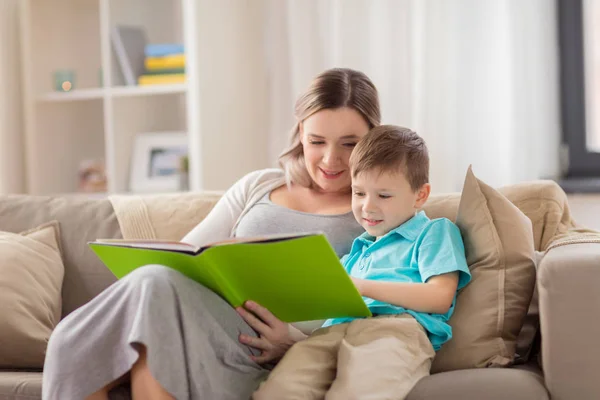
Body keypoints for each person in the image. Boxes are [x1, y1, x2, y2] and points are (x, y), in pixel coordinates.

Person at [42, 67, 381, 400]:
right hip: (199, 322)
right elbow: (184, 254)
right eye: (317, 142)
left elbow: (379, 312)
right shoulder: (258, 186)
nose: (330, 159)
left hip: (267, 350)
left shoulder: (378, 210)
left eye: (349, 144)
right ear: (300, 135)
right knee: (153, 283)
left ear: (373, 140)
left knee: (145, 296)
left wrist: (294, 342)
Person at [253, 125, 472, 400]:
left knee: (359, 392)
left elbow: (439, 296)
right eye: (358, 193)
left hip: (394, 330)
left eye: (383, 195)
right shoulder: (357, 251)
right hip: (334, 332)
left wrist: (362, 287)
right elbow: (326, 313)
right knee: (278, 391)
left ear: (420, 195)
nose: (367, 206)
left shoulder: (433, 231)